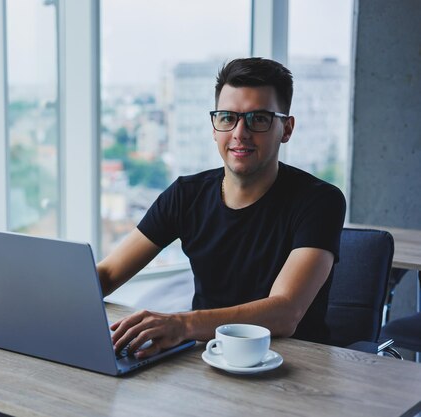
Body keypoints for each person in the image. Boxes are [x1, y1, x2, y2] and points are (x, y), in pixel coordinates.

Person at [97, 57, 346, 359]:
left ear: (287, 128)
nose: (240, 132)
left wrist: (181, 324)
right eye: (228, 117)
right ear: (215, 127)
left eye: (259, 119)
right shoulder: (185, 195)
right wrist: (40, 295)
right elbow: (108, 274)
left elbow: (286, 311)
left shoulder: (320, 201)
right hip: (207, 359)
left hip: (294, 367)